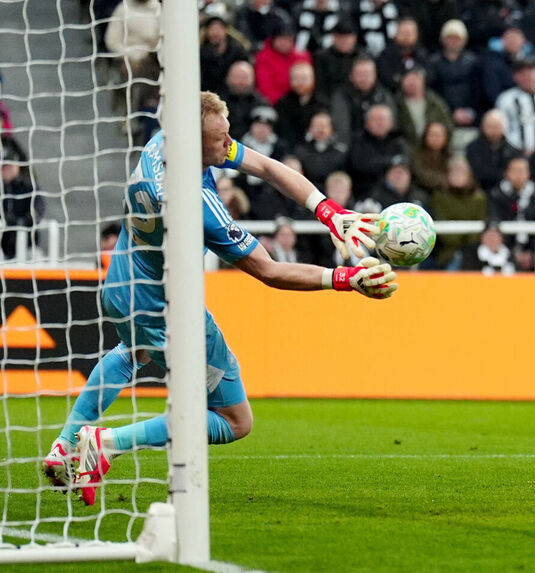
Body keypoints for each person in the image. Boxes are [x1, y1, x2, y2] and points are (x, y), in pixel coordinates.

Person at [44, 93, 396, 503]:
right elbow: (269, 270)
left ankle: (65, 444)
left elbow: (265, 165)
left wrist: (328, 210)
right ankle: (104, 444)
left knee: (129, 353)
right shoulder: (197, 203)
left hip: (121, 288)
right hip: (167, 310)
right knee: (234, 419)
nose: (228, 143)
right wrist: (345, 278)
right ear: (195, 142)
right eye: (219, 138)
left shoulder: (161, 142)